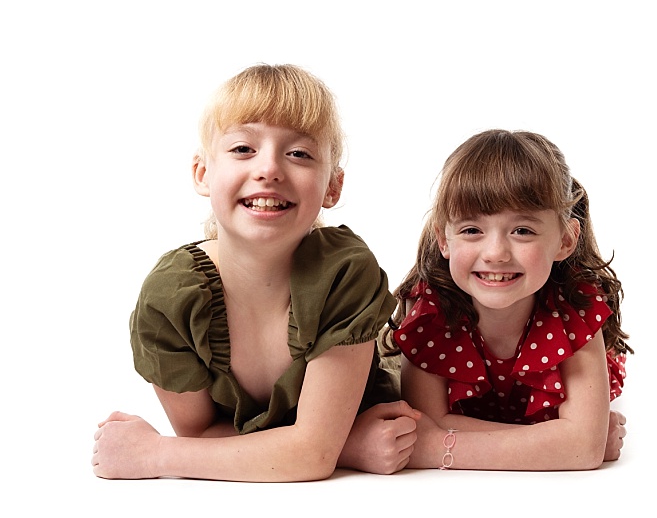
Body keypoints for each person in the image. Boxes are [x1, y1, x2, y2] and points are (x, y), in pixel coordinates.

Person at [94, 64, 419, 480]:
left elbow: (312, 453)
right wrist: (346, 446)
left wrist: (155, 454)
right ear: (203, 174)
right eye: (243, 149)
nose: (269, 169)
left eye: (298, 154)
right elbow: (199, 436)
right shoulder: (171, 298)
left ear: (332, 187)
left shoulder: (344, 274)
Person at [391, 129, 634, 470]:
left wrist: (438, 447)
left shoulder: (573, 308)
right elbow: (425, 424)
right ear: (443, 240)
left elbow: (583, 449)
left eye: (522, 231)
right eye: (472, 230)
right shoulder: (431, 309)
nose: (495, 253)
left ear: (565, 241)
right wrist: (560, 440)